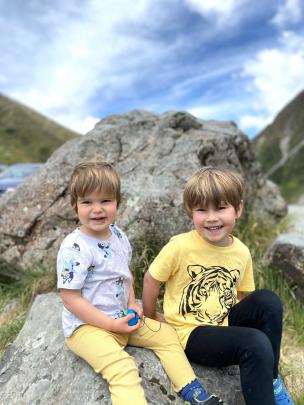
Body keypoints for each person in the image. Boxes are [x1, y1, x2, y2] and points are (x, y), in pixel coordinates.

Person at [57, 161, 225, 405]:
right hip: (87, 327)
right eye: (87, 202)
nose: (97, 209)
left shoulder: (118, 236)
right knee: (123, 367)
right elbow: (70, 298)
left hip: (121, 317)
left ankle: (195, 394)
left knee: (167, 335)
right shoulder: (75, 247)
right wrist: (110, 324)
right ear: (75, 206)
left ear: (117, 202)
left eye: (105, 200)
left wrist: (131, 304)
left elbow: (125, 275)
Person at [142, 166, 294, 405]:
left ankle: (271, 379)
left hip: (223, 322)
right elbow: (151, 279)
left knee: (268, 301)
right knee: (255, 343)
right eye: (202, 209)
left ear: (238, 209)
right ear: (191, 212)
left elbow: (244, 296)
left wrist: (238, 332)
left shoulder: (241, 251)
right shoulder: (180, 246)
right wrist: (151, 317)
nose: (212, 217)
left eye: (221, 208)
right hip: (191, 334)